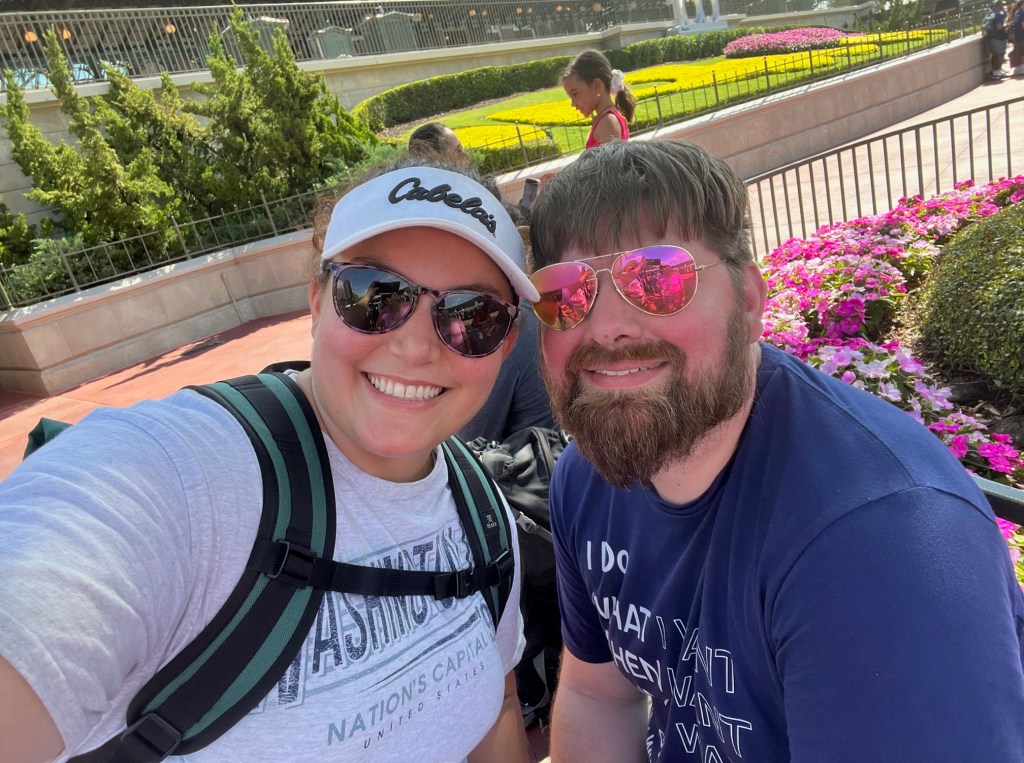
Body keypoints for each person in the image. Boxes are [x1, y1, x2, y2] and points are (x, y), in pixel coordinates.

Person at [0, 161, 537, 762]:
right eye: (375, 296)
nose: (414, 346)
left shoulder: (479, 506)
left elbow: (499, 701)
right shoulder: (171, 476)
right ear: (317, 301)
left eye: (471, 315)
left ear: (508, 342)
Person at [527, 140, 1024, 761]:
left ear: (750, 300)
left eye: (656, 279)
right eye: (565, 294)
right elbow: (600, 694)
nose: (605, 327)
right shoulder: (589, 477)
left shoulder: (880, 546)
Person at [560, 50, 636, 148]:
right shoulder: (606, 119)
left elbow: (611, 158)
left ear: (597, 85)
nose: (572, 103)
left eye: (575, 94)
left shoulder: (607, 122)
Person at [986, 0, 1009, 78]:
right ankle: (997, 71)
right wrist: (1007, 25)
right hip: (998, 37)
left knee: (995, 55)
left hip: (991, 38)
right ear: (1000, 5)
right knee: (1000, 55)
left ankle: (995, 71)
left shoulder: (991, 14)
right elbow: (999, 27)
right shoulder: (999, 14)